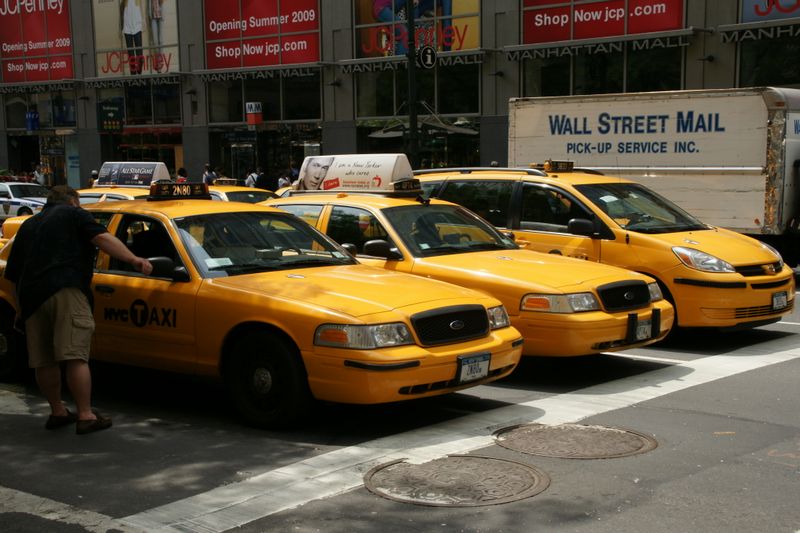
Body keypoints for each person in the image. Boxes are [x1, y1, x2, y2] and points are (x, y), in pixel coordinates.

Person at [4, 186, 153, 434]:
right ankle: (86, 414)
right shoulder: (74, 214)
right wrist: (134, 260)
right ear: (73, 200)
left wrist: (20, 308)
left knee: (44, 359)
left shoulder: (29, 225)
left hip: (32, 298)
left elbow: (13, 274)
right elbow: (103, 239)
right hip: (66, 288)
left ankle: (57, 411)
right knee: (75, 355)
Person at [121, 0, 144, 75]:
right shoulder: (124, 1)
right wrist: (120, 28)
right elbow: (121, 14)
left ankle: (139, 70)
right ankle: (133, 73)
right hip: (127, 28)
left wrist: (144, 22)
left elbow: (141, 8)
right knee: (130, 53)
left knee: (139, 51)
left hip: (137, 26)